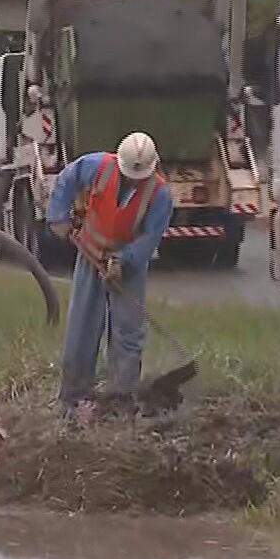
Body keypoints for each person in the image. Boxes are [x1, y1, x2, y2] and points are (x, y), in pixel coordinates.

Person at [44, 131, 174, 418]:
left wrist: (123, 261)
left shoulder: (160, 195)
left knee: (128, 333)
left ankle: (120, 400)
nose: (132, 181)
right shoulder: (97, 166)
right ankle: (73, 398)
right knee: (82, 326)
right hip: (90, 255)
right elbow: (67, 180)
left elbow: (150, 239)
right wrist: (58, 217)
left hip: (129, 267)